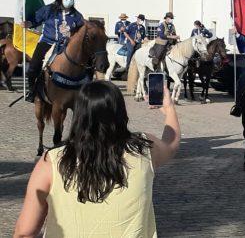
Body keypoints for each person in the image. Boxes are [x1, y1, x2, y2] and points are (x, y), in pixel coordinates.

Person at [13, 80, 180, 237]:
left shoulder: (52, 161)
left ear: (78, 115)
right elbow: (171, 144)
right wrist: (169, 109)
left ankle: (34, 91)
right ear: (121, 112)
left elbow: (25, 232)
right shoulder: (144, 149)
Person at [23, 0, 84, 103]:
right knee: (33, 67)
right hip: (47, 42)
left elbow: (81, 32)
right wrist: (28, 23)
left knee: (83, 65)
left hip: (66, 45)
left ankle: (82, 90)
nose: (69, 0)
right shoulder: (49, 10)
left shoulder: (77, 16)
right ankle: (32, 91)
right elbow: (36, 19)